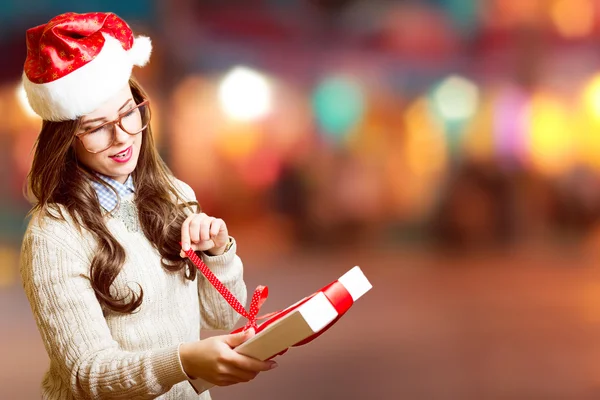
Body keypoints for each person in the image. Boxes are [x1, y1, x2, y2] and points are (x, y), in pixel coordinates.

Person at [18, 11, 277, 399]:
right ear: (65, 138)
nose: (121, 137)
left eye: (127, 114)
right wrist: (185, 362)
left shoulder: (174, 193)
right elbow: (85, 374)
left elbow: (228, 315)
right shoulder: (53, 235)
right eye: (95, 127)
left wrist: (219, 250)